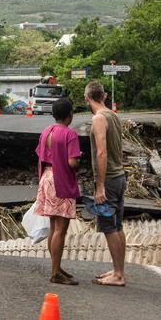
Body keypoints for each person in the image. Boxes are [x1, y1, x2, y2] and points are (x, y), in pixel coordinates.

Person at [33, 97, 81, 285]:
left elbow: (41, 154)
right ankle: (55, 272)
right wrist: (79, 162)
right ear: (70, 115)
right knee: (61, 229)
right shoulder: (70, 135)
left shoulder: (47, 131)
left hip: (46, 177)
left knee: (54, 227)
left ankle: (56, 266)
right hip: (60, 180)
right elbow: (72, 162)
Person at [85, 80, 127, 286]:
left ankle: (118, 275)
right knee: (117, 226)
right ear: (105, 96)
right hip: (119, 177)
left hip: (109, 179)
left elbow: (101, 152)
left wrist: (99, 185)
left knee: (109, 227)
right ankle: (118, 270)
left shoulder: (98, 118)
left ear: (87, 98)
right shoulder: (113, 115)